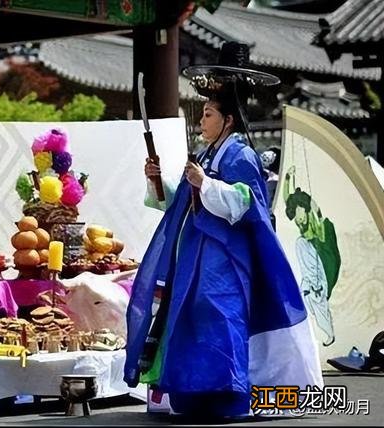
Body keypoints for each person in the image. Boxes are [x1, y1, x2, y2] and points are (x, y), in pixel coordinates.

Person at [124, 42, 323, 419]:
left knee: (221, 317)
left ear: (228, 120)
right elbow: (183, 201)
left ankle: (231, 396)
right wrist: (160, 182)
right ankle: (194, 395)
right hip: (196, 259)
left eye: (209, 114)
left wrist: (207, 185)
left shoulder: (241, 155)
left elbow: (248, 203)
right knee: (193, 320)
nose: (203, 120)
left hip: (225, 260)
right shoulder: (205, 155)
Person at [283, 165, 341, 347]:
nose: (300, 221)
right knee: (306, 297)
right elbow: (287, 199)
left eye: (301, 216)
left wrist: (307, 202)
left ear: (306, 211)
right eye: (298, 219)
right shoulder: (302, 225)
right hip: (311, 275)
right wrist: (287, 179)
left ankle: (329, 333)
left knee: (318, 300)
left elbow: (315, 210)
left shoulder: (319, 224)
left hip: (323, 267)